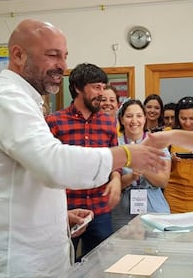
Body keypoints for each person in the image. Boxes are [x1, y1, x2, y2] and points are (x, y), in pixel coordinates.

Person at [0, 18, 167, 278]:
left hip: (34, 256)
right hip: (11, 264)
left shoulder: (25, 101)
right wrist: (126, 154)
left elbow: (21, 180)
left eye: (65, 56)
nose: (63, 66)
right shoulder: (6, 100)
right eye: (52, 55)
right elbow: (52, 164)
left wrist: (57, 216)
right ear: (18, 54)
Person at [46, 63, 121, 259]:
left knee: (101, 265)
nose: (102, 93)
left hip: (100, 209)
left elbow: (115, 160)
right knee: (61, 263)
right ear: (78, 87)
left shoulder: (109, 122)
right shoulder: (55, 122)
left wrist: (116, 179)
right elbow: (47, 165)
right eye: (97, 87)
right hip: (66, 208)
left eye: (104, 87)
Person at [111, 99, 171, 231]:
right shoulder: (115, 145)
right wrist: (132, 176)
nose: (134, 121)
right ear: (121, 119)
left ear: (144, 118)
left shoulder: (158, 143)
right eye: (129, 116)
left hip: (154, 208)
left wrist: (143, 169)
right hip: (122, 211)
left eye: (139, 116)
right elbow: (113, 183)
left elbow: (163, 181)